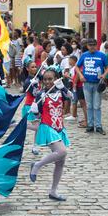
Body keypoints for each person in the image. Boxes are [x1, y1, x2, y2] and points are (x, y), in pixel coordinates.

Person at [29, 69, 73, 201]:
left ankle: (53, 191)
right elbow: (37, 116)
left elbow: (72, 97)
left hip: (60, 128)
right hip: (48, 127)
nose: (48, 82)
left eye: (51, 79)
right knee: (62, 151)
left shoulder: (61, 92)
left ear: (56, 79)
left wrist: (63, 87)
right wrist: (35, 111)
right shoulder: (41, 95)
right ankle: (37, 164)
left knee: (60, 162)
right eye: (45, 79)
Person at [75, 38, 108, 135]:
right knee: (89, 105)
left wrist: (104, 75)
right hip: (87, 83)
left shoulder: (101, 55)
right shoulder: (84, 55)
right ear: (87, 46)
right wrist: (80, 75)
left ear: (96, 45)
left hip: (98, 84)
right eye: (90, 45)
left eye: (94, 45)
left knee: (97, 106)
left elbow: (107, 67)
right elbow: (77, 66)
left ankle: (98, 126)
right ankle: (90, 125)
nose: (92, 47)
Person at [22, 61, 41, 155]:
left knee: (38, 127)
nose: (34, 68)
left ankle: (35, 146)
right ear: (27, 69)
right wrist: (35, 85)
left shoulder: (37, 77)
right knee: (37, 127)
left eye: (35, 67)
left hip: (37, 105)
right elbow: (34, 93)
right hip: (30, 105)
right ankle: (18, 125)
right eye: (32, 67)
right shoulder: (27, 82)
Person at [65, 55, 88, 127]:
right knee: (83, 104)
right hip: (79, 85)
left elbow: (78, 74)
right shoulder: (77, 66)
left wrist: (74, 83)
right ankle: (86, 119)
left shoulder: (79, 66)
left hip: (80, 86)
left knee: (83, 104)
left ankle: (87, 120)